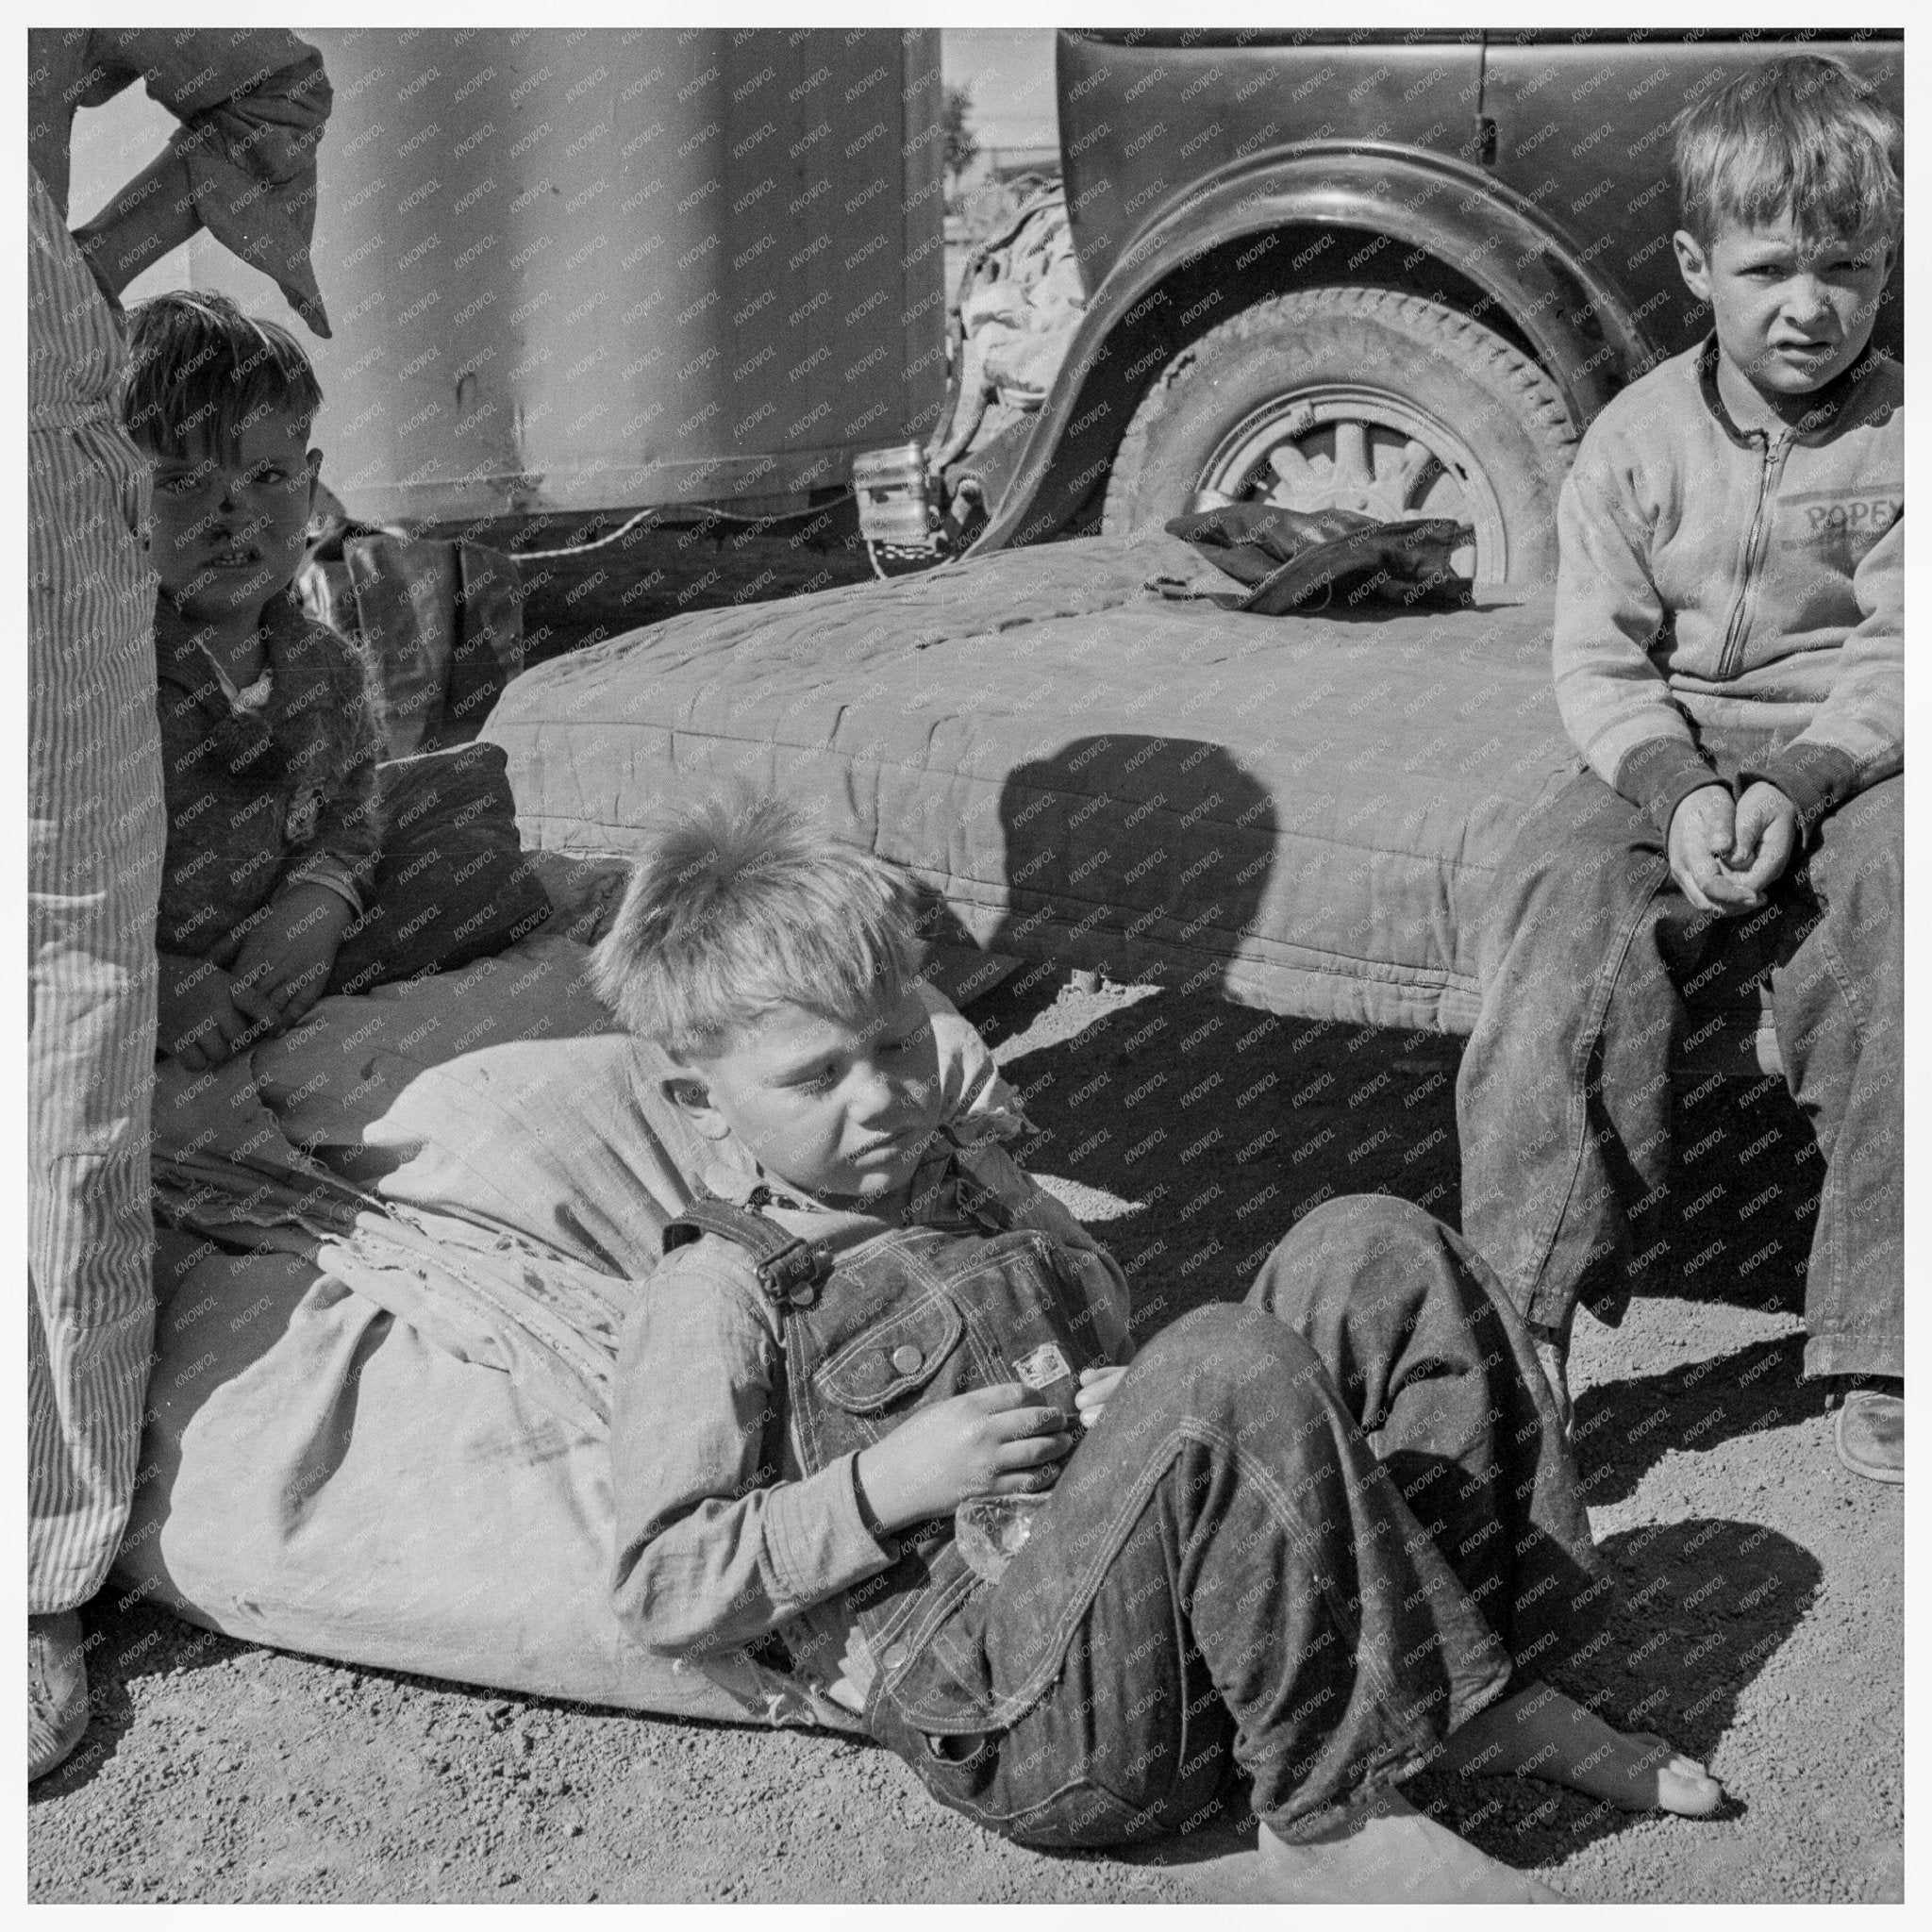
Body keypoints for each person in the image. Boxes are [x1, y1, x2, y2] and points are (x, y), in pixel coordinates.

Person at [600, 793, 1722, 1902]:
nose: (884, 1097)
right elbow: (662, 1584)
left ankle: (1471, 1683)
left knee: (1371, 1247)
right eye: (815, 1077)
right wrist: (882, 1483)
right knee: (1219, 1360)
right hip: (1023, 1713)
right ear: (699, 1102)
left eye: (897, 1045)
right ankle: (1330, 1817)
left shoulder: (970, 1172)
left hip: (1155, 1611)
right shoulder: (719, 1290)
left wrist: (1123, 1395)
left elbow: (1105, 1344)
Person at [1456, 57, 1903, 1483]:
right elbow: (1599, 664)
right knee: (1559, 904)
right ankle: (1520, 1320)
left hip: (1863, 747)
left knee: (1908, 913)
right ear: (1694, 266)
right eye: (1771, 268)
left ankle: (1890, 1328)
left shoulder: (1917, 435)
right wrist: (1677, 789)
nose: (1812, 305)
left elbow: (1910, 656)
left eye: (1852, 266)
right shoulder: (1633, 442)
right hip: (1667, 741)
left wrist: (1803, 783)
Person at [28, 28, 332, 1781]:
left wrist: (77, 270)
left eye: (268, 487)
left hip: (28, 524)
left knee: (67, 999)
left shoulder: (295, 660)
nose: (242, 520)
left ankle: (31, 1564)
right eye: (204, 488)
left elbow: (264, 78)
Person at [121, 292, 384, 1070]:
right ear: (117, 491)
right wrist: (149, 983)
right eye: (181, 483)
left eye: (266, 475)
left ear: (310, 485)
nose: (232, 515)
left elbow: (348, 817)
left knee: (464, 818)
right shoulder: (99, 675)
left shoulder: (329, 669)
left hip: (269, 964)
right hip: (117, 974)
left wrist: (318, 905)